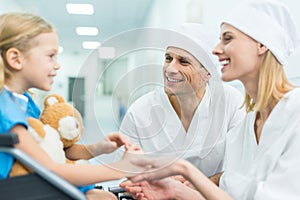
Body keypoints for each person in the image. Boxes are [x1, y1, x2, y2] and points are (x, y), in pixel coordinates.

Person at [128, 0, 300, 199]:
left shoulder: (295, 114)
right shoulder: (244, 129)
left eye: (227, 39)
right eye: (168, 58)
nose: (216, 49)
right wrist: (175, 189)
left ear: (262, 44)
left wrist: (185, 170)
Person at [0, 12, 142, 200]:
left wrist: (98, 148)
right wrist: (122, 168)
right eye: (50, 56)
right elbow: (52, 169)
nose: (57, 65)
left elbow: (57, 148)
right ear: (16, 59)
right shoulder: (6, 111)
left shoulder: (25, 102)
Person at [119, 23, 245, 199]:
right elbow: (126, 170)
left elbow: (243, 168)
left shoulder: (232, 103)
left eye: (183, 62)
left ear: (207, 73)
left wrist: (206, 182)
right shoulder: (139, 112)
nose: (170, 68)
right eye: (168, 58)